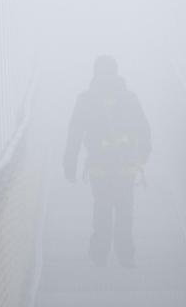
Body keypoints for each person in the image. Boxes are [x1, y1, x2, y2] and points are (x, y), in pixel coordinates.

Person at [63, 56, 151, 268]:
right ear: (116, 71)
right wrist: (142, 157)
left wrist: (70, 162)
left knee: (101, 208)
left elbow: (75, 132)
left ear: (95, 72)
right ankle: (125, 255)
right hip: (126, 167)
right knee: (124, 210)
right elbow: (144, 130)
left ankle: (99, 255)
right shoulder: (130, 98)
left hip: (99, 168)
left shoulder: (85, 99)